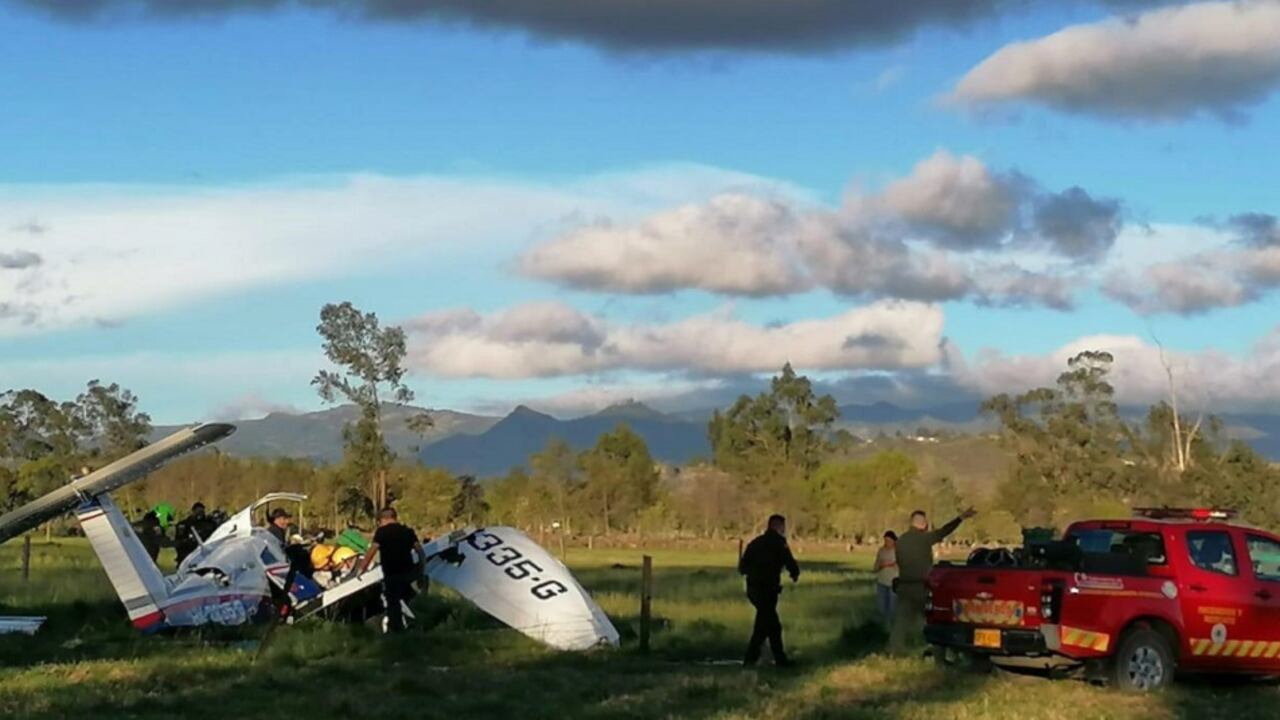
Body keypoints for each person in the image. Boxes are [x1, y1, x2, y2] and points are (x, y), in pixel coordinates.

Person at [889, 508, 977, 655]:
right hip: (922, 587)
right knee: (935, 621)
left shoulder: (901, 541)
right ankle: (937, 654)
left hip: (904, 586)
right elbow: (944, 531)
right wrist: (960, 518)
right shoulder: (924, 539)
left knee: (900, 623)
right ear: (923, 524)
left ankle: (894, 651)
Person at [738, 514, 800, 667]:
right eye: (782, 527)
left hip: (753, 589)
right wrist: (794, 573)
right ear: (777, 526)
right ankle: (752, 659)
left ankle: (777, 659)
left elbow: (742, 568)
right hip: (768, 590)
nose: (783, 530)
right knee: (767, 626)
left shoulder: (755, 543)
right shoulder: (779, 543)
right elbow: (789, 561)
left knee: (769, 624)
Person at [357, 507, 426, 634]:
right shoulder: (407, 531)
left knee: (393, 603)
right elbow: (420, 552)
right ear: (395, 517)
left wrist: (361, 569)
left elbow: (371, 552)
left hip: (392, 573)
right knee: (407, 596)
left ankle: (397, 630)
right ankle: (418, 621)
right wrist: (421, 572)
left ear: (382, 520)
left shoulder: (382, 532)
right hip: (408, 572)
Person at [873, 530, 899, 629]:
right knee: (881, 607)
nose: (886, 543)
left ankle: (892, 627)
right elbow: (875, 567)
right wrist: (882, 565)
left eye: (889, 541)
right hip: (882, 582)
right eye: (885, 541)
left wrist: (893, 564)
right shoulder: (881, 551)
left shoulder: (899, 552)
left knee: (892, 608)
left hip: (894, 583)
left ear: (894, 541)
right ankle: (883, 627)